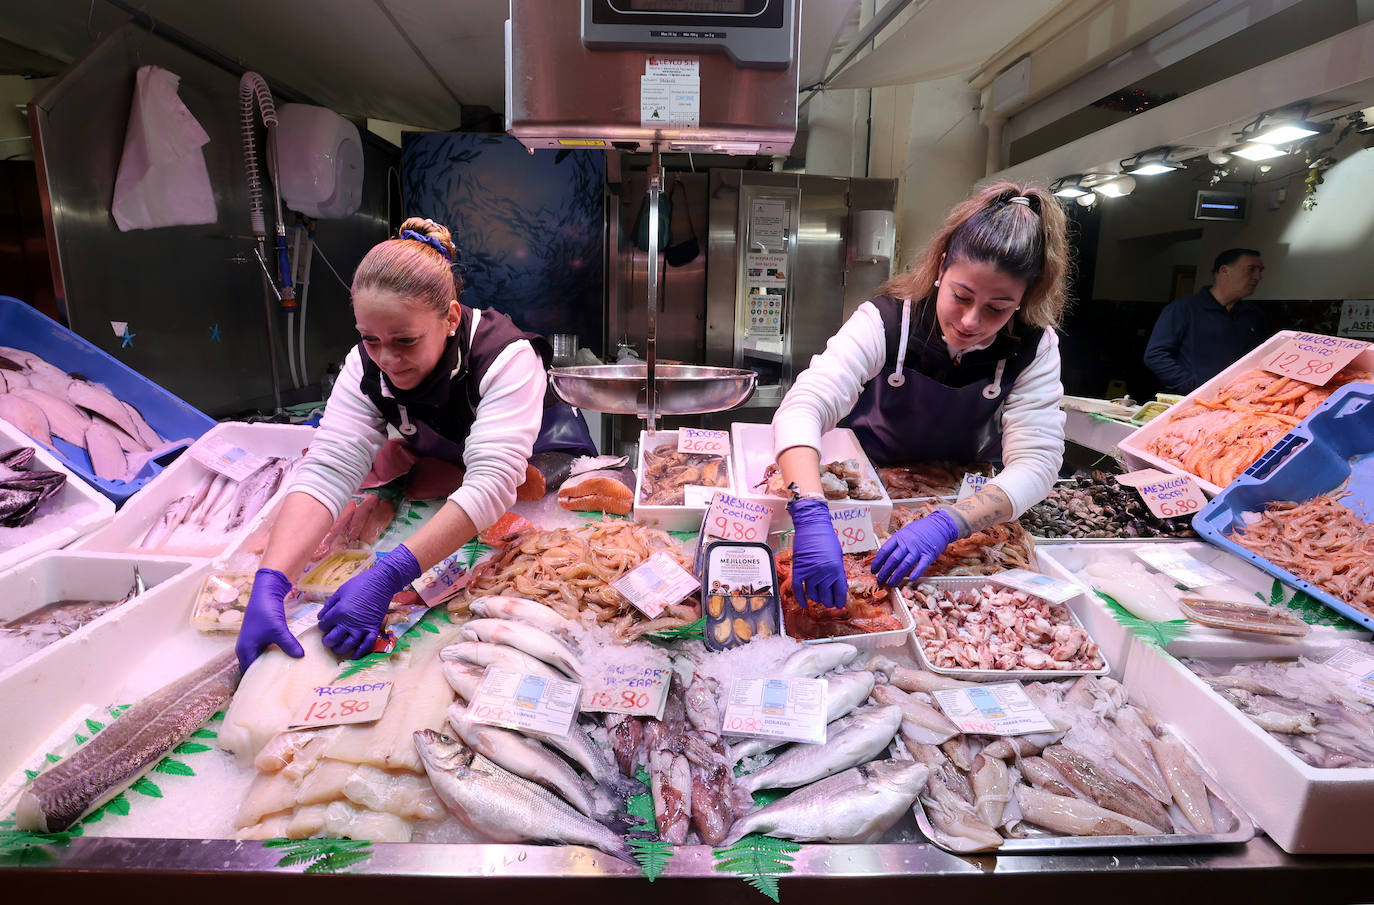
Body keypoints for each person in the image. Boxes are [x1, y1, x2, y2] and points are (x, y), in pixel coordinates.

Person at [236, 217, 589, 669]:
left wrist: (388, 577)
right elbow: (329, 469)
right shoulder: (364, 365)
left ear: (451, 318)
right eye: (370, 339)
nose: (386, 359)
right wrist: (272, 578)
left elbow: (492, 484)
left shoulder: (505, 357)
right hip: (460, 485)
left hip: (550, 480)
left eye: (405, 341)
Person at [772, 182, 1070, 608]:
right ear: (942, 266)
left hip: (968, 507)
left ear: (1025, 298)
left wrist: (949, 523)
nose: (970, 320)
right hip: (870, 498)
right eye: (961, 296)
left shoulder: (1033, 346)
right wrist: (809, 510)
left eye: (997, 307)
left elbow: (1038, 462)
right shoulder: (885, 320)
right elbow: (805, 406)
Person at [1144, 248, 1267, 394]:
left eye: (1260, 271)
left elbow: (1259, 359)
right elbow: (1156, 355)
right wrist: (1191, 387)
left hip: (1235, 401)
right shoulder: (1184, 308)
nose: (1258, 277)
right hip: (1188, 401)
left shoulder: (1253, 315)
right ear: (1224, 271)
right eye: (1251, 269)